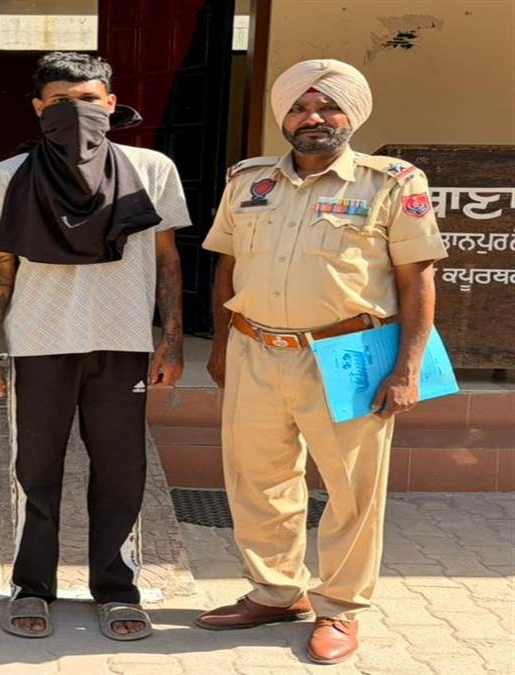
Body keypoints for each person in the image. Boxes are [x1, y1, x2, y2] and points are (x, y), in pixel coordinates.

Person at [195, 59, 447, 665]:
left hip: (346, 353)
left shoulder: (391, 182)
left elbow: (417, 280)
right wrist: (224, 346)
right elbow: (228, 265)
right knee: (258, 480)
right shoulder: (248, 180)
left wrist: (407, 368)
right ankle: (277, 592)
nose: (313, 118)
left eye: (328, 107)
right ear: (283, 117)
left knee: (352, 489)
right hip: (256, 349)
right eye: (299, 108)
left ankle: (340, 607)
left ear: (351, 114)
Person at [0, 52, 190, 641]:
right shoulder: (10, 176)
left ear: (111, 105)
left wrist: (170, 340)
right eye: (61, 102)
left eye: (89, 99)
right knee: (34, 472)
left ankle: (117, 588)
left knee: (121, 470)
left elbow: (167, 259)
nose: (76, 111)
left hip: (123, 343)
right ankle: (31, 586)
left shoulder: (152, 168)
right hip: (38, 344)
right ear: (39, 109)